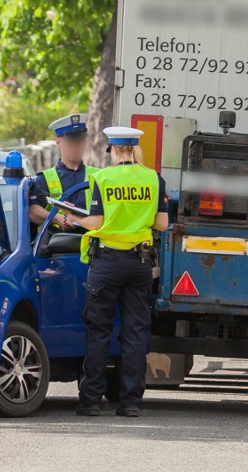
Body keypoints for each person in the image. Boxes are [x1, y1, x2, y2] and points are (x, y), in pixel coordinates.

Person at [66, 126, 169, 417]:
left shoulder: (103, 178)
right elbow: (161, 224)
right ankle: (131, 402)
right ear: (135, 148)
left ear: (112, 149)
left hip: (107, 263)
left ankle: (90, 402)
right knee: (135, 333)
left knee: (99, 331)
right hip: (139, 264)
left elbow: (96, 222)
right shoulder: (154, 178)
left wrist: (72, 217)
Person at [28, 114, 99, 230]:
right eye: (72, 140)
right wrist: (57, 218)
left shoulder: (98, 176)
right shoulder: (44, 178)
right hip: (56, 244)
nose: (77, 144)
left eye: (81, 139)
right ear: (58, 142)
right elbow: (32, 211)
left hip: (91, 243)